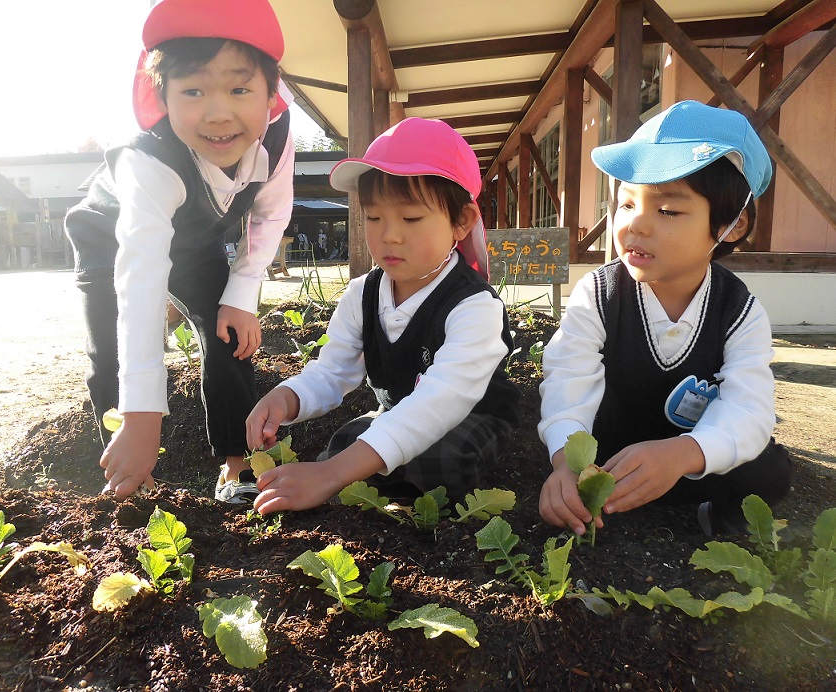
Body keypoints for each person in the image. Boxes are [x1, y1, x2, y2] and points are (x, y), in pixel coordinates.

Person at [64, 0, 295, 501]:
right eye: (192, 90)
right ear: (161, 94)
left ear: (270, 93)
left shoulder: (276, 140)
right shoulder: (149, 160)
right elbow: (140, 276)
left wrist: (243, 289)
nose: (218, 113)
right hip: (113, 240)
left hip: (195, 241)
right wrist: (143, 415)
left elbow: (270, 213)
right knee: (110, 351)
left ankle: (238, 465)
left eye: (240, 88)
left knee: (229, 333)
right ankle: (129, 479)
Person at [237, 117, 520, 513]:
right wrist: (286, 399)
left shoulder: (474, 307)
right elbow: (332, 372)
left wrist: (333, 475)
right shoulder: (363, 294)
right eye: (373, 217)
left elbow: (440, 402)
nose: (389, 235)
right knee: (344, 444)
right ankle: (378, 484)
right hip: (398, 411)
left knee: (440, 459)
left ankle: (407, 499)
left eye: (411, 219)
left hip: (471, 415)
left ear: (461, 222)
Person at [537, 100, 792, 536]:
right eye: (626, 204)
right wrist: (566, 463)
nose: (636, 226)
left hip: (692, 458)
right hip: (611, 456)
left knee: (768, 471)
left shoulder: (739, 310)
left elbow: (748, 407)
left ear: (732, 224)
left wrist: (682, 454)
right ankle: (600, 500)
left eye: (668, 210)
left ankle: (709, 510)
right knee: (568, 448)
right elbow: (567, 381)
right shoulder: (599, 295)